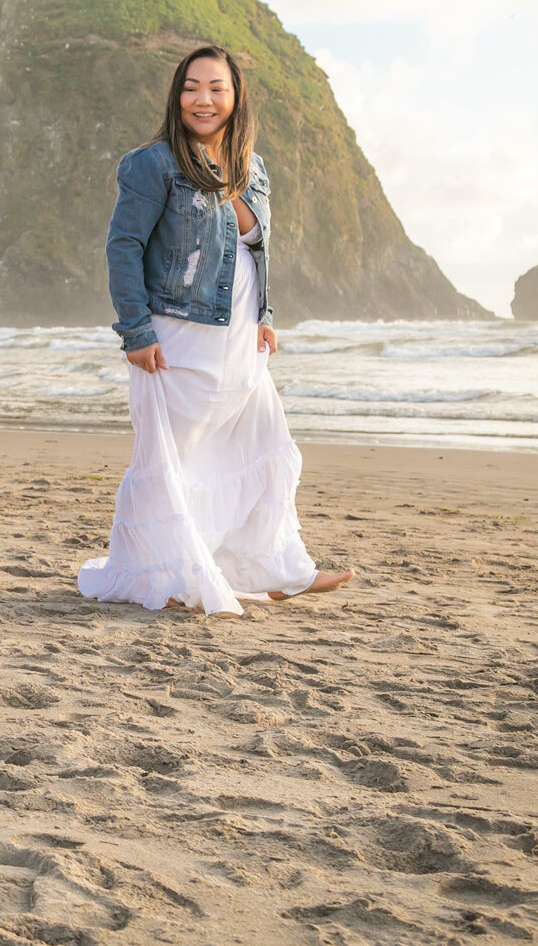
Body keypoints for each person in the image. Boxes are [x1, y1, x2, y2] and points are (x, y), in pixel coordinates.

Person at [77, 45, 354, 616]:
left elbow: (256, 250)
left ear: (236, 96)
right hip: (177, 337)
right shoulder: (152, 164)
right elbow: (123, 246)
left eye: (217, 88)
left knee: (261, 442)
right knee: (172, 459)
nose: (203, 99)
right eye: (191, 87)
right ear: (177, 96)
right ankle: (169, 578)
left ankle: (278, 571)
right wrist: (135, 332)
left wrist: (267, 317)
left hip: (240, 342)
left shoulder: (252, 166)